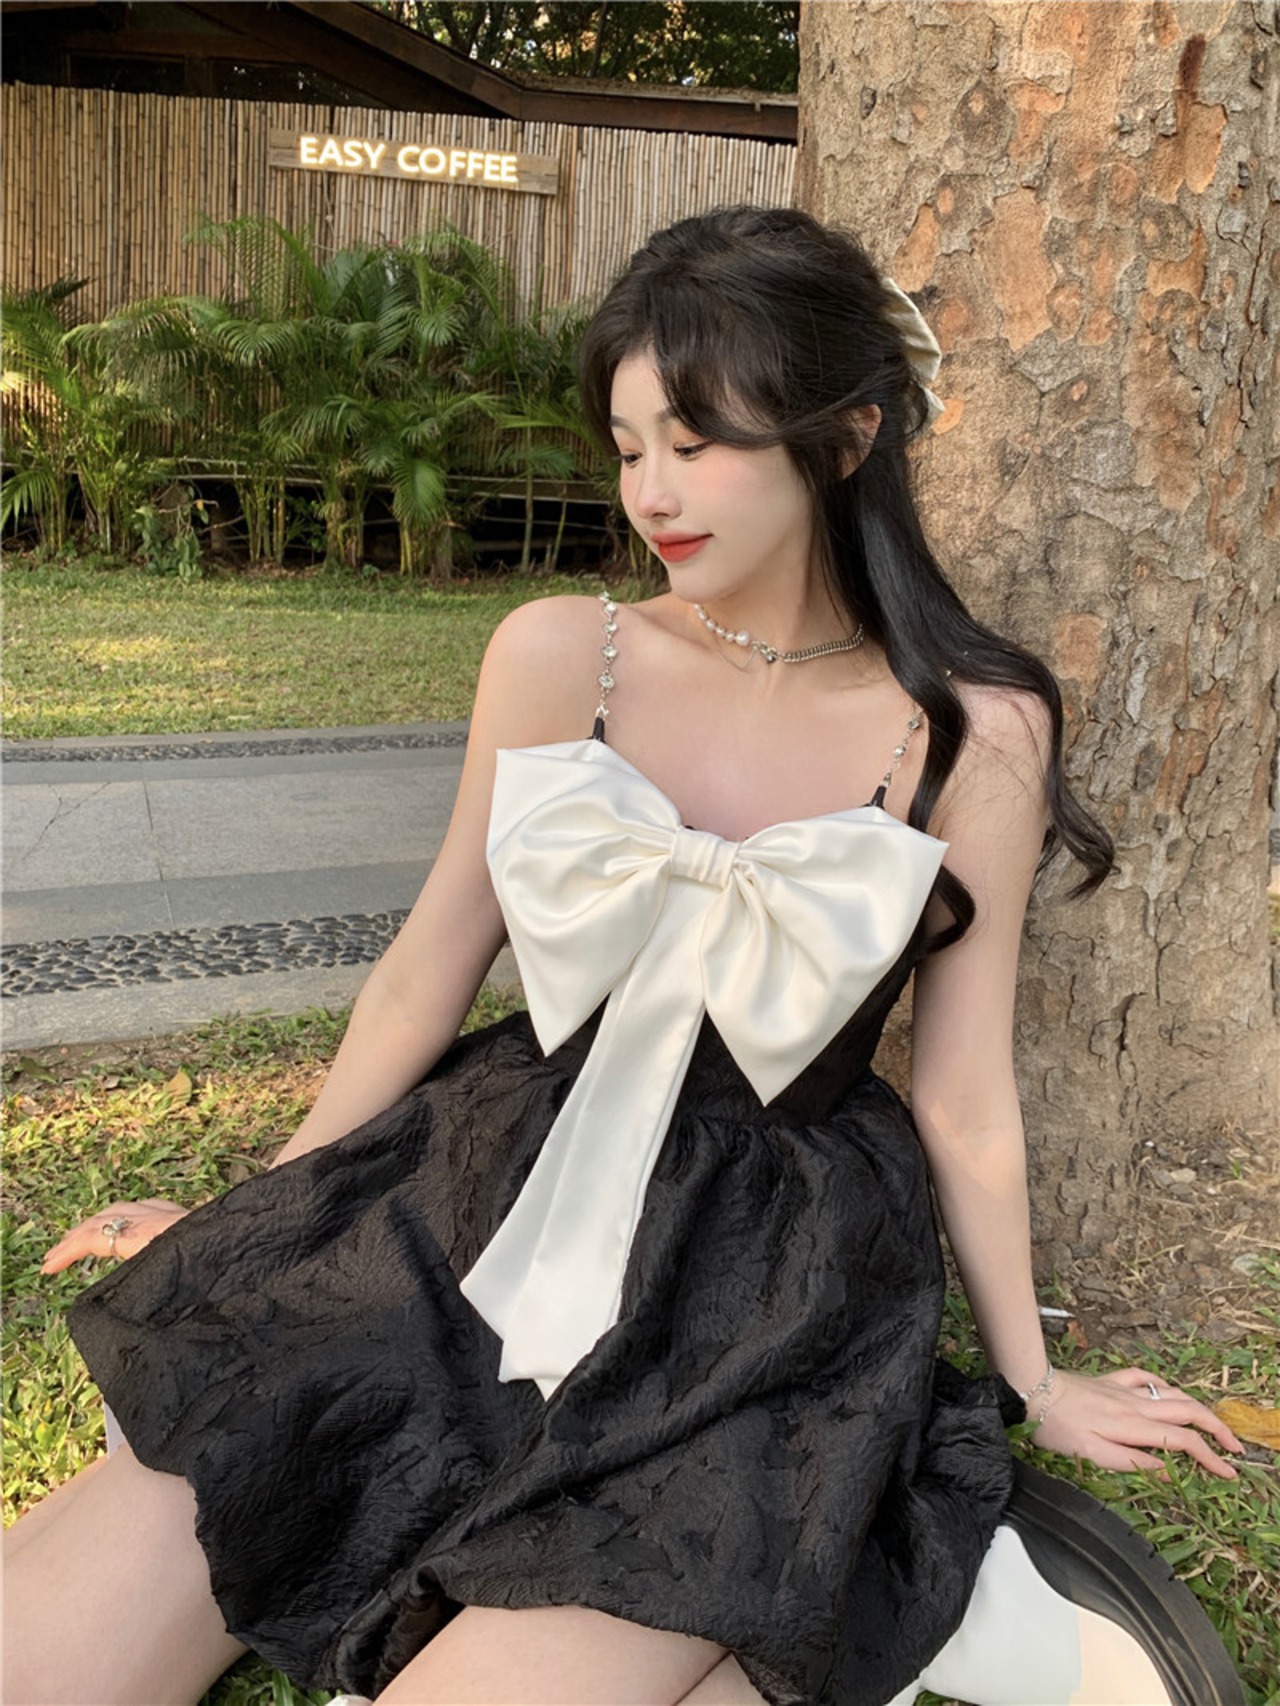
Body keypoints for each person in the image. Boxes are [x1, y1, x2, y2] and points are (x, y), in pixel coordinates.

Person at [3, 207, 1245, 1706]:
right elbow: (426, 967)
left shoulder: (976, 728)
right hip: (494, 1175)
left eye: (697, 442)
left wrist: (1035, 1382)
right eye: (628, 444)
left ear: (847, 437)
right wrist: (263, 1209)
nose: (651, 490)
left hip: (766, 1256)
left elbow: (965, 1095)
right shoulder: (557, 651)